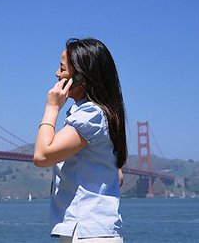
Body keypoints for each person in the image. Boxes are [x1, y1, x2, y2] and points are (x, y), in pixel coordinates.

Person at [34, 38, 127, 243]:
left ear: (81, 78)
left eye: (62, 68)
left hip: (87, 232)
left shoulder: (90, 115)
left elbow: (41, 156)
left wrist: (51, 109)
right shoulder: (103, 113)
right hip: (89, 231)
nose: (56, 74)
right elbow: (117, 177)